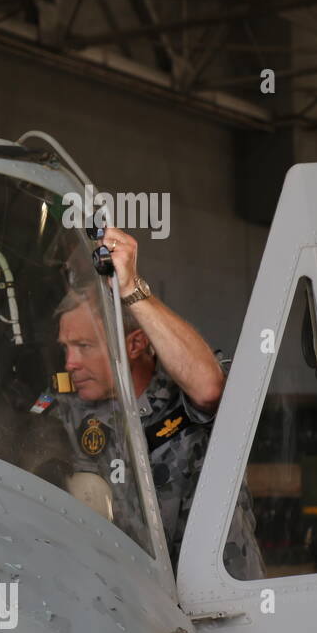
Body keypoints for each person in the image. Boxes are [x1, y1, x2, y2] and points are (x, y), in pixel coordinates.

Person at [52, 227, 263, 580]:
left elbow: (210, 388)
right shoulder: (67, 412)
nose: (69, 363)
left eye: (84, 347)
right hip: (133, 611)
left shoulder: (181, 397)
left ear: (134, 346)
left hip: (217, 607)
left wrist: (131, 288)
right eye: (65, 348)